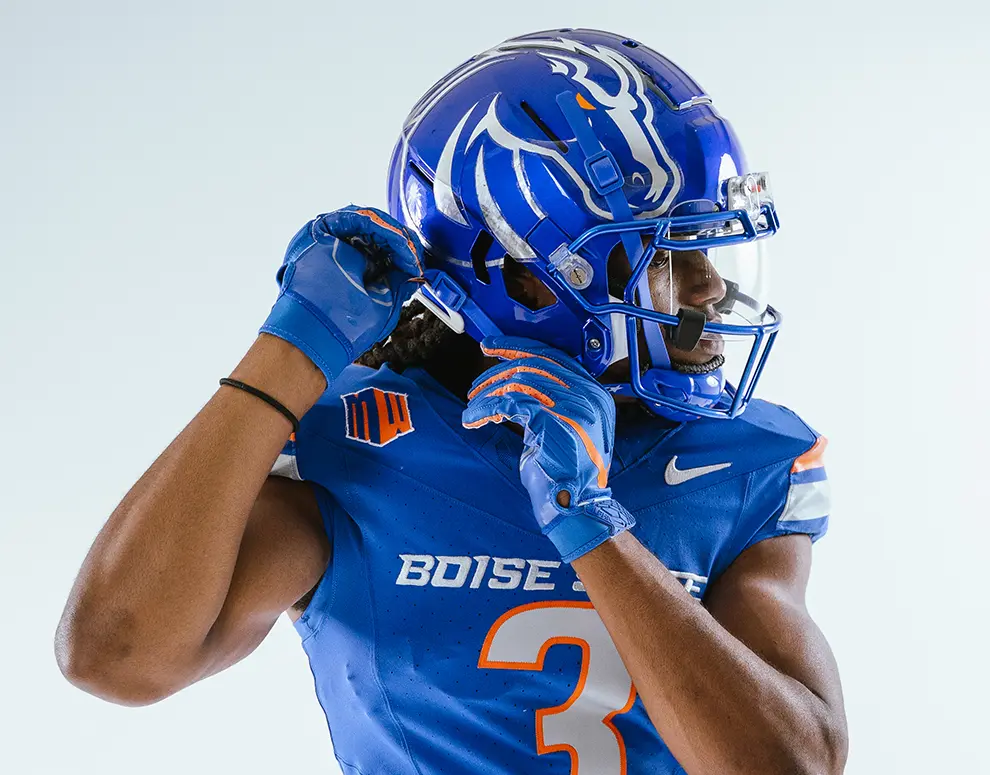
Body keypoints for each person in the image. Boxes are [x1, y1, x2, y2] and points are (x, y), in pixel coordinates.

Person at [55, 28, 848, 775]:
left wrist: (590, 521)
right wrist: (291, 350)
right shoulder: (365, 444)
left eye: (710, 247)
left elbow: (794, 763)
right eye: (671, 254)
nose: (715, 290)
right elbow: (115, 656)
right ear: (531, 278)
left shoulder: (746, 455)